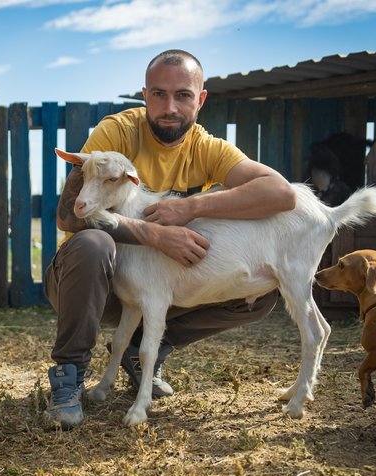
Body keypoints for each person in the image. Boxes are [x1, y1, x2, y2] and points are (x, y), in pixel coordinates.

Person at [43, 49, 297, 429]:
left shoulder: (207, 148)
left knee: (259, 293)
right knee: (93, 244)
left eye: (183, 95)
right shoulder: (116, 133)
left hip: (158, 288)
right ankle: (68, 376)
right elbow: (68, 218)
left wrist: (191, 207)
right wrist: (154, 233)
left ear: (201, 99)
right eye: (159, 94)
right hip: (91, 285)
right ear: (145, 95)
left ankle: (143, 350)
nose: (170, 107)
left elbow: (281, 195)